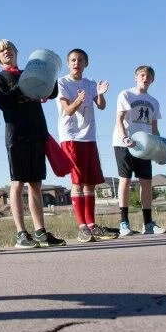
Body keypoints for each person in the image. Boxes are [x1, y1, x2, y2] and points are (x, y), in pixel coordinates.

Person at [0, 40, 67, 248]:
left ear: (16, 52)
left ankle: (40, 231)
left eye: (10, 49)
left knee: (36, 183)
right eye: (2, 51)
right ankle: (21, 234)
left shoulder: (31, 71)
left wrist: (50, 73)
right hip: (16, 135)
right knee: (18, 183)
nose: (7, 52)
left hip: (37, 132)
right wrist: (23, 85)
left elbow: (51, 92)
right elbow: (3, 102)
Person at [56, 48, 118, 242]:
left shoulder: (90, 83)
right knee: (77, 181)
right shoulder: (63, 82)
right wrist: (78, 100)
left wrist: (100, 94)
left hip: (89, 136)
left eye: (80, 60)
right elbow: (67, 110)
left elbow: (101, 106)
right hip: (71, 137)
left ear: (86, 63)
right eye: (73, 60)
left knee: (90, 182)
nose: (76, 63)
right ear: (68, 64)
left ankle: (92, 225)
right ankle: (82, 226)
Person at [112, 65, 166, 236]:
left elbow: (154, 128)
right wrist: (125, 138)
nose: (145, 78)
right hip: (124, 143)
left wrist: (160, 150)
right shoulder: (126, 94)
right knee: (125, 180)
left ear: (152, 80)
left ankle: (148, 224)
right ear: (136, 78)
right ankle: (124, 223)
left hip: (145, 145)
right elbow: (119, 119)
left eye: (148, 76)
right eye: (142, 75)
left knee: (146, 182)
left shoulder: (154, 102)